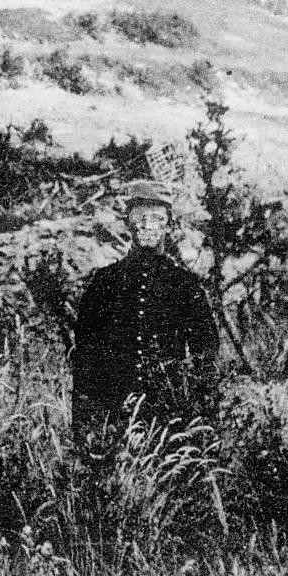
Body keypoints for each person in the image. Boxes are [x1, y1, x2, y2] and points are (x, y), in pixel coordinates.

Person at [71, 180, 220, 420]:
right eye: (140, 216)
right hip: (114, 413)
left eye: (157, 218)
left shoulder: (184, 285)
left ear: (168, 224)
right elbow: (85, 357)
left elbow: (206, 354)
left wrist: (201, 416)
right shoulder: (104, 282)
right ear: (128, 221)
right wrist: (88, 421)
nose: (148, 225)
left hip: (168, 415)